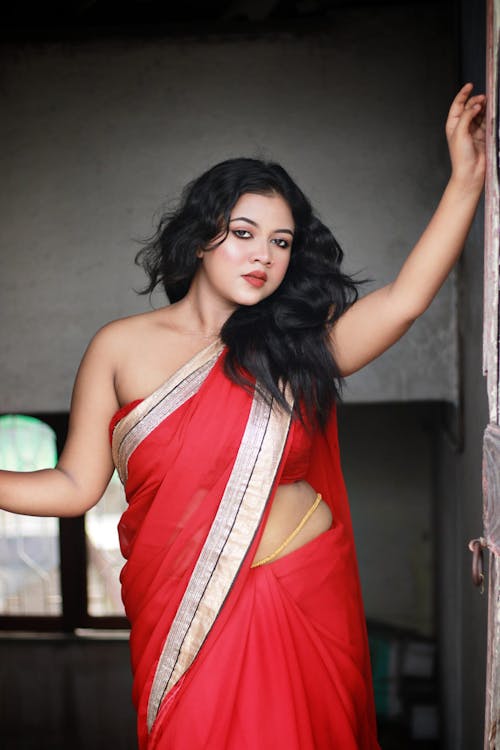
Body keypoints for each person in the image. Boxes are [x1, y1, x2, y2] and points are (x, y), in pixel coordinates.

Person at [0, 83, 486, 749]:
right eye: (244, 233)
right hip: (188, 618)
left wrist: (465, 181)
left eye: (282, 242)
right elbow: (75, 486)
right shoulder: (120, 347)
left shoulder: (293, 350)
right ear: (202, 238)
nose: (264, 255)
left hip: (301, 596)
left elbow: (402, 302)